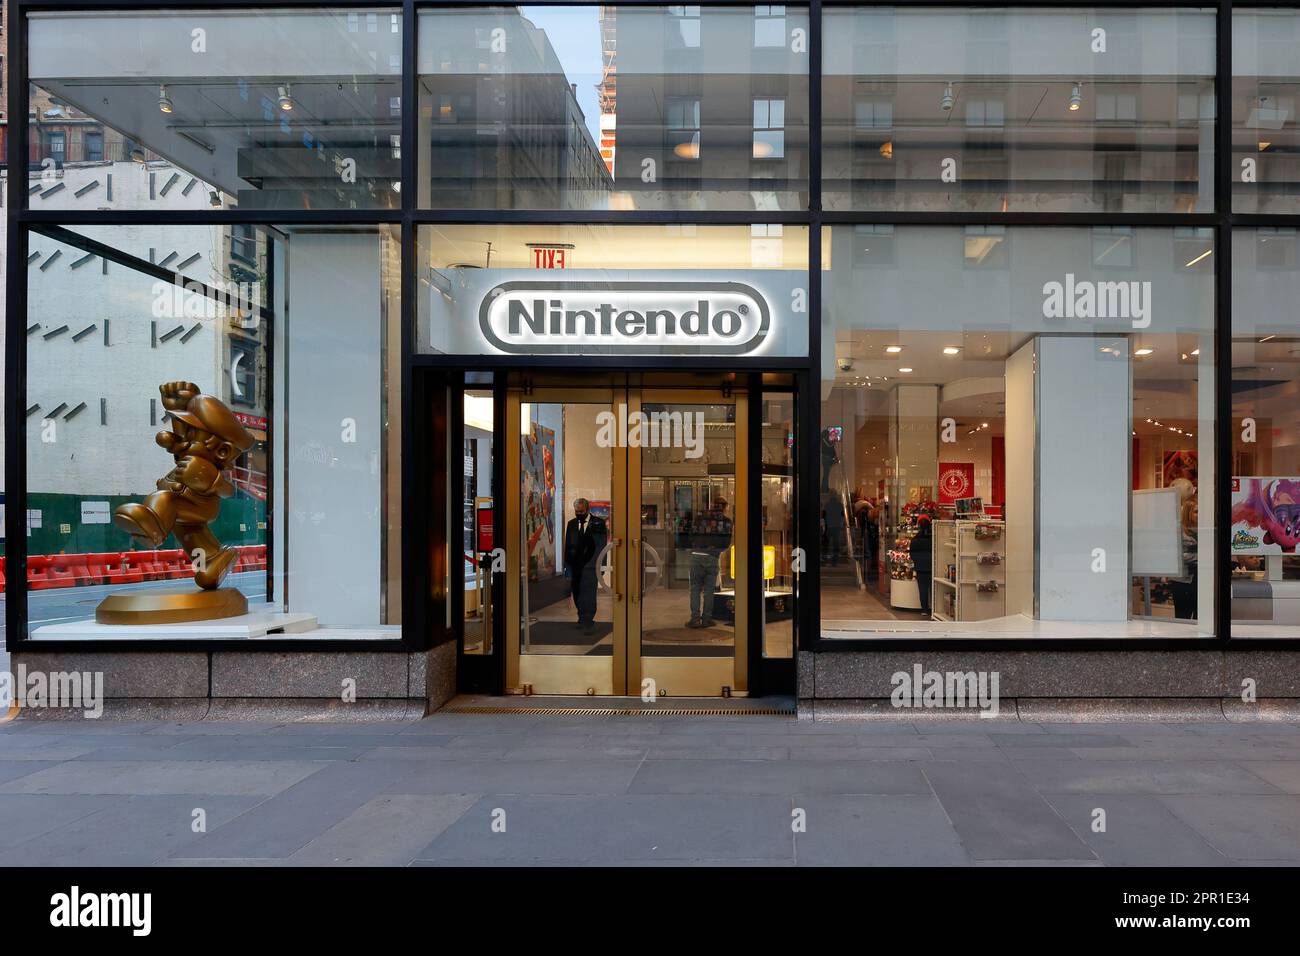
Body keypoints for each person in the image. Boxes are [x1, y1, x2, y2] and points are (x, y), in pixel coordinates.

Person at [686, 496, 732, 628]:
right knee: (709, 591)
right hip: (712, 558)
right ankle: (706, 619)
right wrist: (715, 549)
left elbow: (691, 536)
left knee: (694, 589)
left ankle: (694, 619)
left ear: (712, 505)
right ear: (725, 507)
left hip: (696, 555)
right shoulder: (727, 522)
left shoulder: (700, 518)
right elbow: (726, 543)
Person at [563, 498, 606, 634]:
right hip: (575, 565)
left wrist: (600, 565)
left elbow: (601, 546)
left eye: (581, 511)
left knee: (589, 594)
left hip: (591, 566)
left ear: (587, 510)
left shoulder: (598, 523)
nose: (578, 513)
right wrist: (567, 566)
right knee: (577, 593)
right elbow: (568, 545)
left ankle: (588, 620)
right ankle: (581, 618)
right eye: (576, 511)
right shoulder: (571, 524)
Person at [911, 514, 934, 618]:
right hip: (932, 566)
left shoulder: (915, 539)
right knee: (933, 589)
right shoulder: (933, 538)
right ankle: (934, 609)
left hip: (920, 567)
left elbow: (912, 554)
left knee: (923, 589)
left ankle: (924, 609)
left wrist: (917, 562)